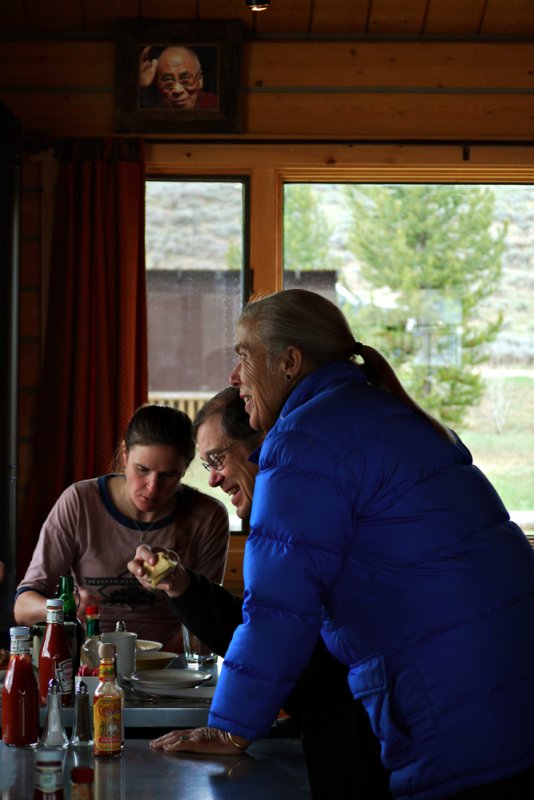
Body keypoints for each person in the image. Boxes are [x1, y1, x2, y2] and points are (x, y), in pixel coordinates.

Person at [153, 289, 534, 799]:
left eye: (244, 356)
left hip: (456, 700)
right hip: (509, 678)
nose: (234, 377)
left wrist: (231, 726)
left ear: (289, 362)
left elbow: (279, 608)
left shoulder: (305, 439)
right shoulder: (384, 413)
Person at [128, 386, 391, 799]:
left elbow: (277, 635)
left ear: (265, 445)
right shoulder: (285, 506)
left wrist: (232, 730)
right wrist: (182, 585)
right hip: (337, 723)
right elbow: (259, 623)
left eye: (217, 459)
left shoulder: (301, 512)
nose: (212, 479)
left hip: (368, 730)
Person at [14, 404, 229, 650]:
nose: (152, 488)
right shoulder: (80, 502)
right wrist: (63, 609)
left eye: (168, 475)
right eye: (142, 470)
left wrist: (157, 668)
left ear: (185, 468)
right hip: (89, 663)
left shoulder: (208, 517)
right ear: (125, 454)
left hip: (170, 667)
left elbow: (206, 620)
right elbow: (22, 608)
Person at [139, 45, 217, 110]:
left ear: (200, 80)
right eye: (168, 82)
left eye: (185, 81)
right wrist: (139, 85)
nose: (177, 90)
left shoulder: (214, 104)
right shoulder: (153, 108)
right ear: (157, 84)